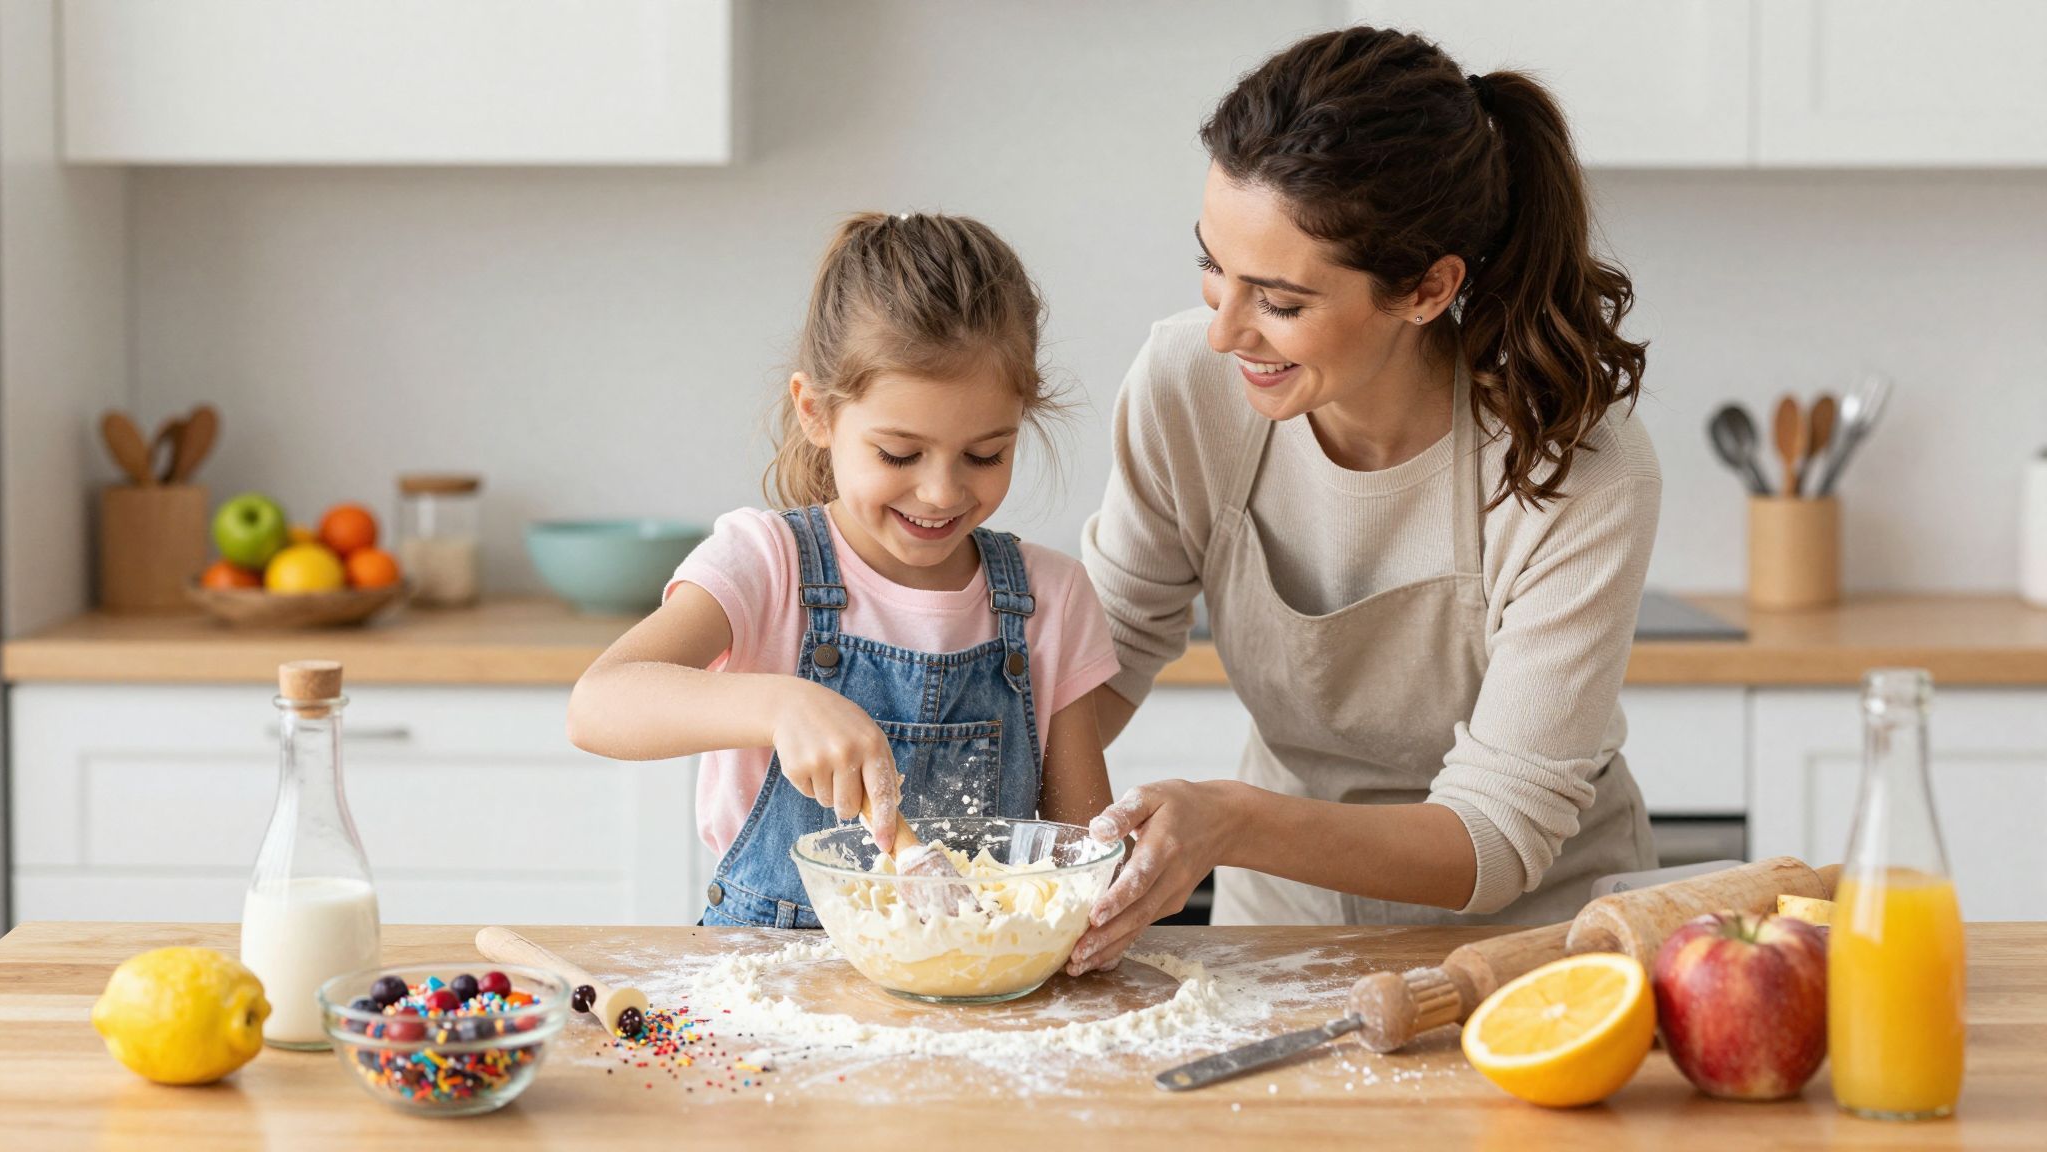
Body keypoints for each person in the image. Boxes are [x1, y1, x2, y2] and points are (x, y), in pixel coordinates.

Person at [1069, 26, 1660, 974]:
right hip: (1278, 930)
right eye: (1213, 266)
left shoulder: (1575, 467)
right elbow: (1110, 645)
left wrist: (1228, 821)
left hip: (1536, 951)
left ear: (1427, 289)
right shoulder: (1186, 385)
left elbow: (1497, 833)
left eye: (1280, 302)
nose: (1224, 333)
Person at [569, 212, 1120, 928]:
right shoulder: (767, 565)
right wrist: (780, 706)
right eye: (899, 454)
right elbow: (598, 704)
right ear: (817, 413)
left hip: (976, 1001)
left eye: (985, 455)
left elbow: (1082, 857)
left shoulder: (1051, 598)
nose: (942, 491)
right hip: (764, 988)